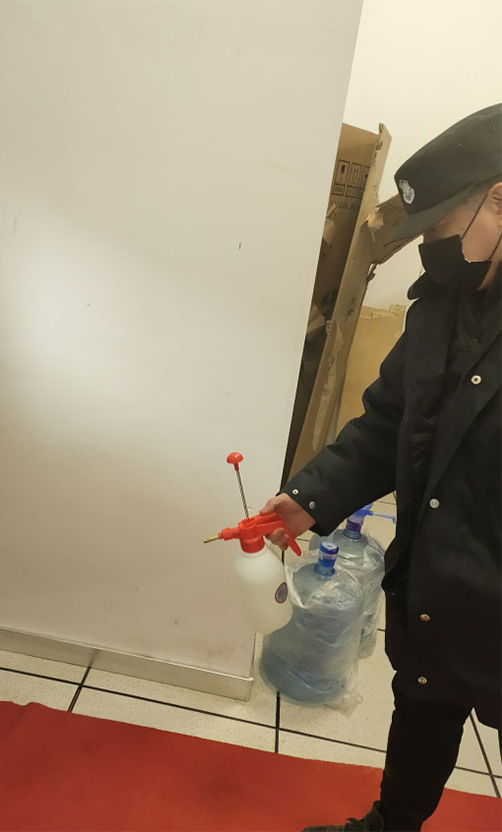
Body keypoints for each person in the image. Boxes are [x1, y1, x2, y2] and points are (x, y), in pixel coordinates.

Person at [260, 103, 502, 832]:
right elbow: (389, 424)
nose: (428, 245)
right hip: (440, 582)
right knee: (423, 709)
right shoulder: (439, 307)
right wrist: (309, 497)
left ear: (498, 200)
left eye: (438, 225)